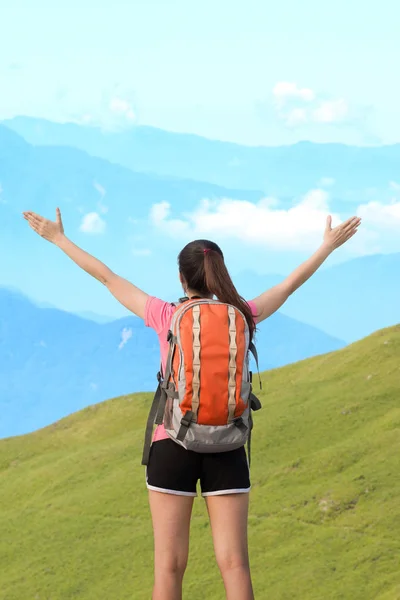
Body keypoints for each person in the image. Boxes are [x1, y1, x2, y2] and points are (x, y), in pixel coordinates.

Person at [23, 207, 361, 600]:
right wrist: (327, 246)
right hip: (230, 446)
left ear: (182, 278)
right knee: (235, 564)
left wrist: (58, 238)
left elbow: (107, 277)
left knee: (169, 566)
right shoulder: (243, 315)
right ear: (219, 274)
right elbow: (288, 286)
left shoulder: (165, 315)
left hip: (172, 443)